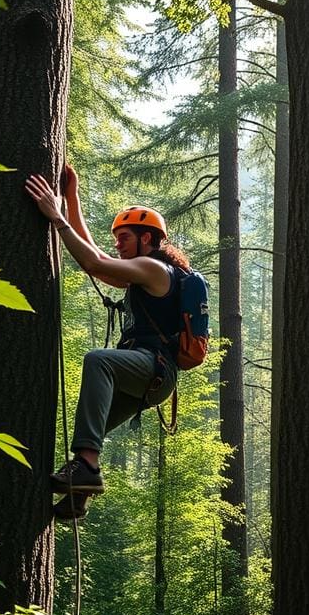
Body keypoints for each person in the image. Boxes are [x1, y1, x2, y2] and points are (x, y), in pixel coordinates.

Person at [25, 167, 188, 519]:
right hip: (145, 376)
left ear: (147, 239)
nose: (118, 243)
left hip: (152, 369)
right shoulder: (144, 273)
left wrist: (57, 218)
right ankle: (80, 491)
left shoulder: (154, 270)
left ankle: (86, 471)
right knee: (91, 433)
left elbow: (94, 260)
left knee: (98, 360)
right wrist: (71, 198)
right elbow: (97, 263)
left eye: (124, 237)